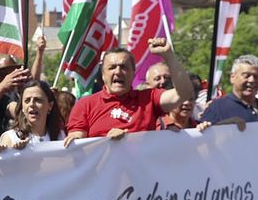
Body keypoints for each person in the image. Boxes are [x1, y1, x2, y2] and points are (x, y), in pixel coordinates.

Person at [64, 40, 195, 144]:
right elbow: (77, 148)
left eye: (124, 67)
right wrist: (106, 142)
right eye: (111, 67)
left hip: (140, 176)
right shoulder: (85, 104)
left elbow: (183, 94)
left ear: (133, 73)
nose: (118, 71)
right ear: (103, 75)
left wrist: (169, 56)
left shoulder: (149, 98)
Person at [199, 55, 258, 129]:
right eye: (246, 75)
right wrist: (204, 128)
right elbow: (204, 141)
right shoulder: (217, 107)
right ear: (233, 77)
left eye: (256, 76)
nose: (252, 80)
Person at [0, 79, 67, 148]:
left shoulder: (61, 137)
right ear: (22, 107)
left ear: (50, 106)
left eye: (38, 100)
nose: (31, 104)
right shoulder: (11, 138)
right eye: (27, 100)